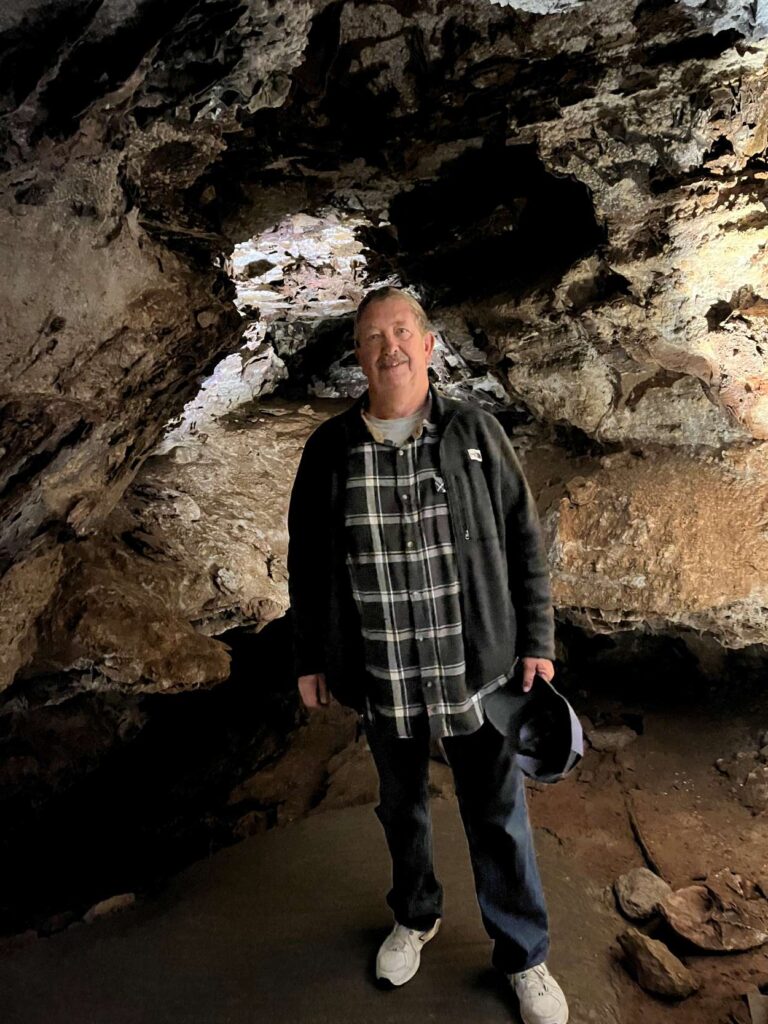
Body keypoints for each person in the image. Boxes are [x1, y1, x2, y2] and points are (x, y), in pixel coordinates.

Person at [287, 286, 569, 1024]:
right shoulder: (330, 449)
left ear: (428, 344)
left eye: (403, 331)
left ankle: (524, 956)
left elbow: (523, 537)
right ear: (359, 354)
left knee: (496, 812)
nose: (391, 347)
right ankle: (415, 915)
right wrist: (311, 656)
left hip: (473, 667)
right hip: (383, 670)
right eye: (374, 336)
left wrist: (536, 640)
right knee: (401, 807)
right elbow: (307, 562)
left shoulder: (475, 431)